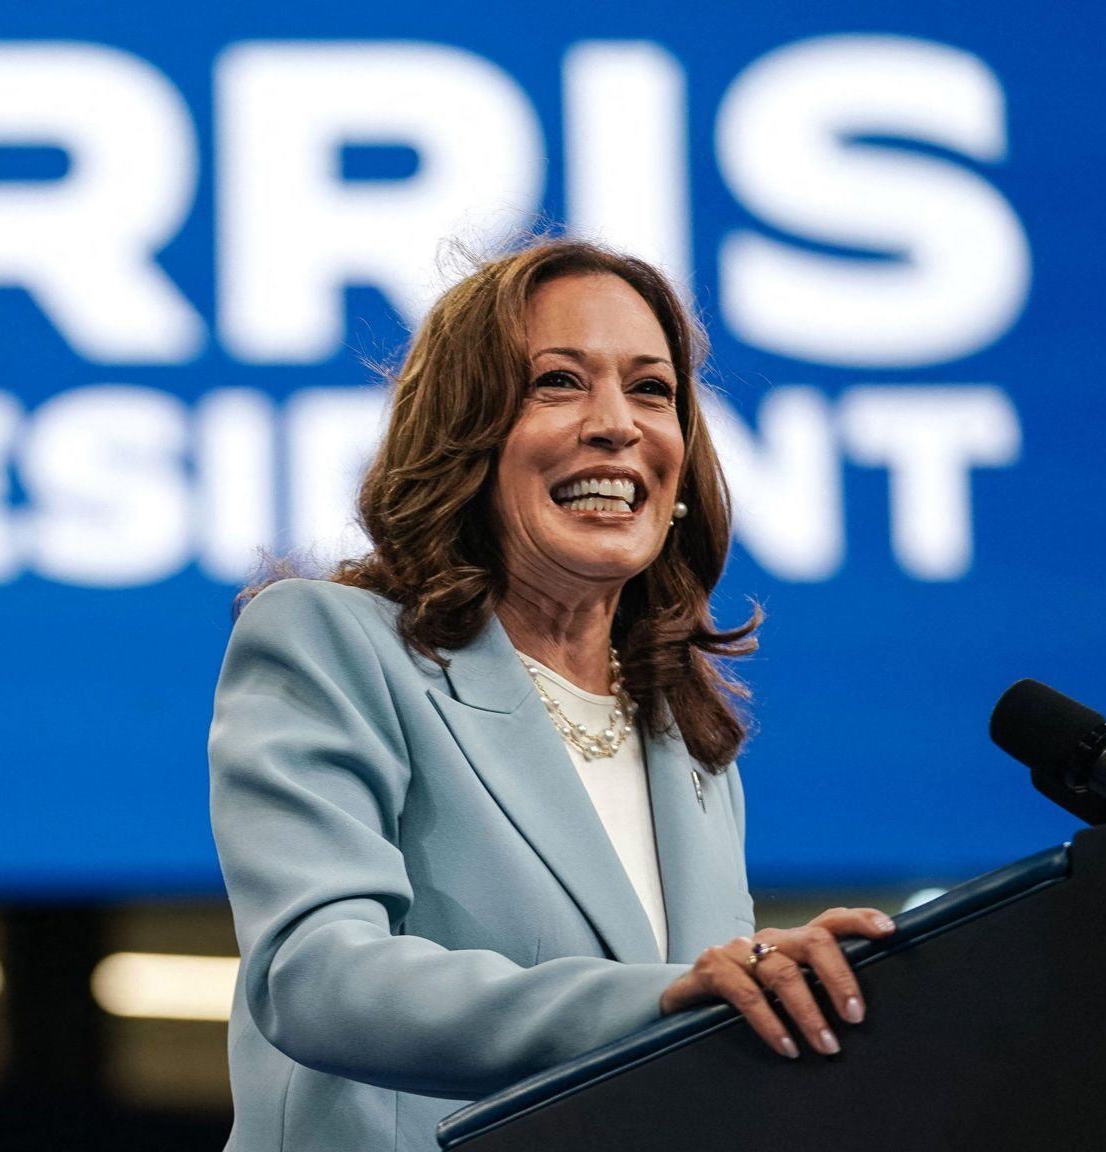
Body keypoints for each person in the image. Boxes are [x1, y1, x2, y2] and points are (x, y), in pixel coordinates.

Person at [207, 236, 897, 1151]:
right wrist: (672, 994)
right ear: (465, 436)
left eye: (652, 390)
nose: (619, 424)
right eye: (559, 383)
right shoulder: (333, 641)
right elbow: (315, 981)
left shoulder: (686, 741)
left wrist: (790, 995)